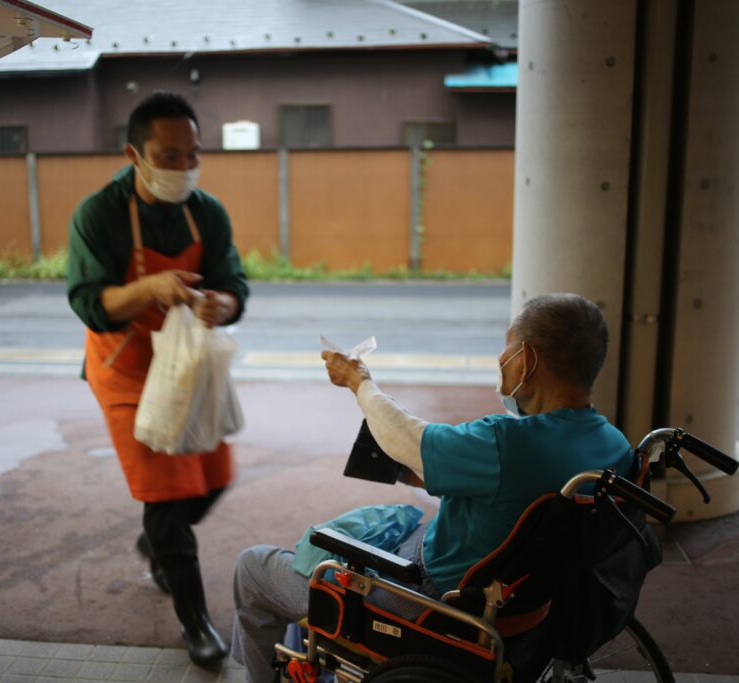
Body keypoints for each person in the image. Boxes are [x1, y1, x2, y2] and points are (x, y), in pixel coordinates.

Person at [231, 293, 635, 682]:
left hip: (431, 600)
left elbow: (410, 439)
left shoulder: (508, 444)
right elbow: (512, 494)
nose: (501, 359)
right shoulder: (615, 448)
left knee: (254, 567)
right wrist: (419, 471)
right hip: (526, 605)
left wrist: (360, 381)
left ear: (527, 358)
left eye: (507, 349)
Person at [67, 91, 249, 666]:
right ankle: (196, 622)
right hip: (126, 367)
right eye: (169, 156)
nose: (183, 168)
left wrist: (222, 302)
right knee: (169, 496)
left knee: (214, 478)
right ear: (134, 154)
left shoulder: (208, 212)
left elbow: (235, 285)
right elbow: (89, 301)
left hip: (190, 365)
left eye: (192, 155)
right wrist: (149, 287)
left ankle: (156, 542)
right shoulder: (98, 214)